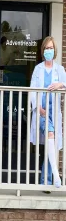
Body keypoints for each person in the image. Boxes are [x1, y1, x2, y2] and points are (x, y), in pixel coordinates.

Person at [30, 36, 66, 188]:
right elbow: (32, 91)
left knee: (50, 146)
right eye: (46, 48)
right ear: (42, 51)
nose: (48, 51)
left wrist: (60, 84)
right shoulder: (38, 69)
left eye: (51, 48)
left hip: (54, 112)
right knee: (50, 134)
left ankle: (46, 181)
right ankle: (55, 176)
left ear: (55, 50)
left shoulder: (60, 69)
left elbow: (65, 86)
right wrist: (39, 108)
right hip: (42, 112)